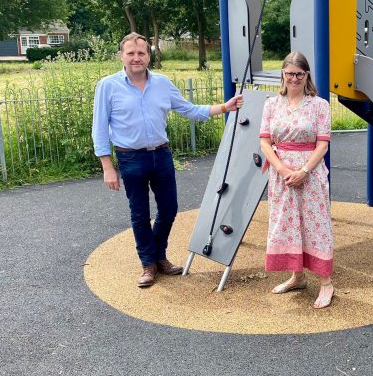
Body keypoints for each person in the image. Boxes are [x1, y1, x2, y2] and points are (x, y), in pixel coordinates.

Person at [92, 32, 244, 288]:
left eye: (141, 53)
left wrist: (225, 107)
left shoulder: (162, 83)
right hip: (130, 158)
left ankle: (159, 256)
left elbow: (190, 109)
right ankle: (149, 264)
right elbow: (99, 129)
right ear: (121, 56)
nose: (136, 58)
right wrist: (107, 167)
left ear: (149, 56)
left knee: (169, 209)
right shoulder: (107, 86)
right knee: (139, 214)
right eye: (130, 53)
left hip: (161, 155)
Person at [259, 52, 334, 308]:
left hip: (310, 175)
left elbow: (322, 144)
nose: (294, 78)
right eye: (289, 73)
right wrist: (281, 170)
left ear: (306, 75)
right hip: (281, 176)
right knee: (287, 224)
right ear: (283, 73)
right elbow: (265, 142)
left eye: (299, 74)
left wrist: (303, 171)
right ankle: (297, 276)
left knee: (315, 224)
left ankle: (326, 283)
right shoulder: (271, 104)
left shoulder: (319, 105)